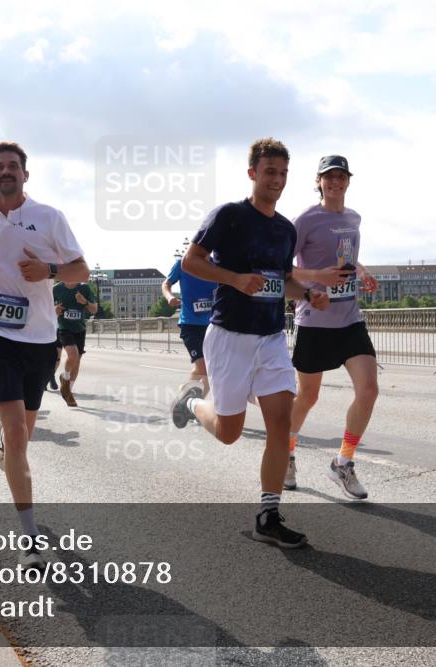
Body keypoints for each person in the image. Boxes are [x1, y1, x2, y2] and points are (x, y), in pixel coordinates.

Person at [170, 138, 329, 549]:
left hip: (271, 337)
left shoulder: (285, 229)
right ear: (252, 173)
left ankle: (268, 514)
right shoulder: (229, 216)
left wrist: (308, 294)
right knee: (229, 433)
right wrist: (236, 279)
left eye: (282, 173)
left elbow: (284, 280)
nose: (276, 179)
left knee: (281, 420)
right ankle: (190, 403)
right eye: (269, 171)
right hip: (228, 337)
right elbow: (191, 261)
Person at [0, 140, 87, 569]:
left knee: (23, 434)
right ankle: (30, 539)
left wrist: (49, 271)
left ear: (25, 174)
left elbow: (80, 269)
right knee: (14, 431)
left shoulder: (49, 218)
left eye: (13, 166)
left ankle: (9, 453)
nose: (6, 172)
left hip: (39, 337)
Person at [287, 155, 379, 500]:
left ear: (348, 181)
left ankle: (343, 462)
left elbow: (346, 257)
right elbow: (285, 269)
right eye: (329, 177)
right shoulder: (306, 220)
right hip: (314, 320)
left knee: (368, 390)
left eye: (341, 177)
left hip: (349, 319)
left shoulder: (353, 218)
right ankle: (286, 453)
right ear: (319, 181)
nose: (335, 182)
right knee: (308, 396)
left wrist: (362, 270)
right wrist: (317, 279)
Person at [162, 255, 217, 395]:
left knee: (209, 371)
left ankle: (186, 400)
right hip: (191, 325)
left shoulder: (217, 264)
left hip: (214, 326)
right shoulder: (183, 263)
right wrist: (170, 297)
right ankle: (190, 403)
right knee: (204, 368)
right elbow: (166, 284)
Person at [52, 280, 98, 406]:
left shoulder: (85, 288)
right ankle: (65, 378)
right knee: (73, 355)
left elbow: (94, 310)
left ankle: (68, 391)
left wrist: (85, 302)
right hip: (64, 328)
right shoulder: (56, 289)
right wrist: (54, 309)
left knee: (77, 362)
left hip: (80, 329)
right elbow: (44, 308)